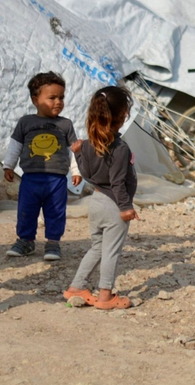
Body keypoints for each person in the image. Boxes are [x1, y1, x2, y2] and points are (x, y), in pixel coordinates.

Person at [64, 86, 138, 309]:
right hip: (114, 205)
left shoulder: (87, 145)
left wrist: (78, 153)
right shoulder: (120, 148)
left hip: (95, 202)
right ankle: (105, 296)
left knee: (97, 248)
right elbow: (117, 182)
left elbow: (86, 174)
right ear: (123, 116)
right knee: (111, 251)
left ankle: (76, 287)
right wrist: (125, 206)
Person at [4, 72, 82, 260]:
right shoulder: (26, 122)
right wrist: (8, 166)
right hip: (30, 178)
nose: (58, 102)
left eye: (61, 97)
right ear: (35, 100)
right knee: (26, 210)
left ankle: (53, 243)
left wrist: (76, 171)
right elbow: (15, 145)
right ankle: (26, 241)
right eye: (52, 98)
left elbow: (73, 150)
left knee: (56, 211)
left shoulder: (65, 124)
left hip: (57, 180)